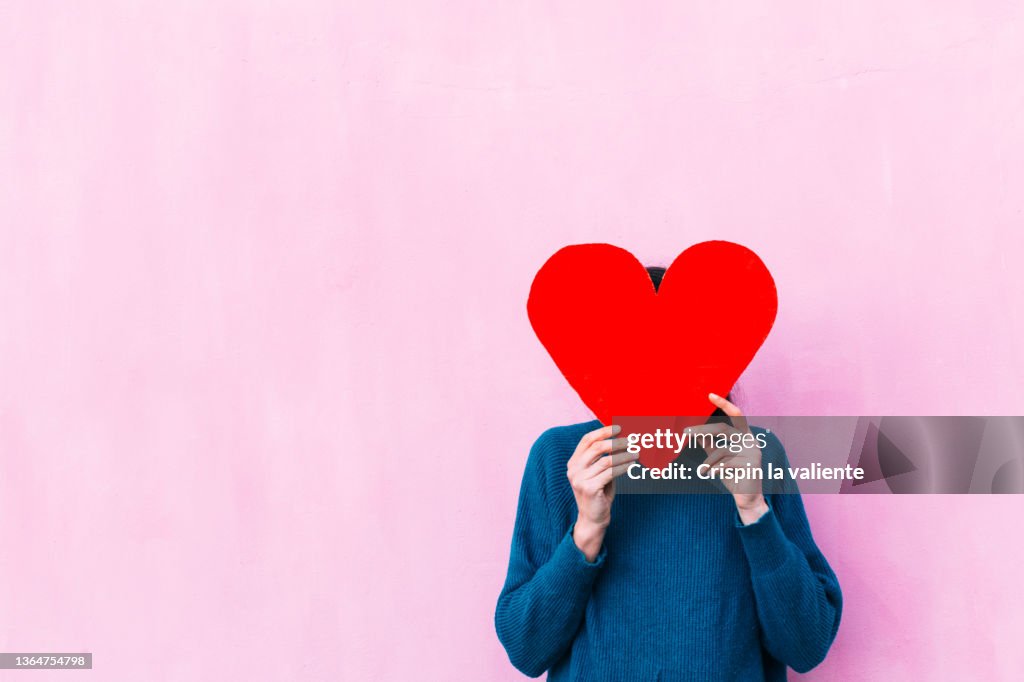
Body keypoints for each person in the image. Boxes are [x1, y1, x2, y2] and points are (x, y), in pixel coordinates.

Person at [494, 267, 842, 681]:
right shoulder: (561, 459)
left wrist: (754, 508)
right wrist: (587, 529)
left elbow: (806, 645)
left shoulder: (755, 454)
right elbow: (525, 648)